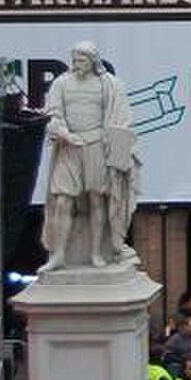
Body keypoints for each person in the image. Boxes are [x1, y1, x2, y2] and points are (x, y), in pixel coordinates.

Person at [39, 41, 136, 271]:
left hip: (96, 146)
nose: (76, 64)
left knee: (97, 199)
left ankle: (95, 253)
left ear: (93, 61)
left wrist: (116, 148)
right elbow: (52, 115)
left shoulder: (108, 85)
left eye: (81, 60)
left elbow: (120, 118)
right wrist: (64, 133)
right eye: (74, 60)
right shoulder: (61, 84)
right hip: (69, 146)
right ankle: (59, 254)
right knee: (62, 199)